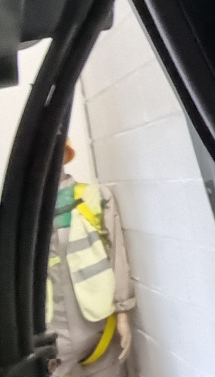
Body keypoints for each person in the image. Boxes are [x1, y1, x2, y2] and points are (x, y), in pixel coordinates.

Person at [46, 140, 135, 376]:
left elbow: (116, 257)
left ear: (65, 154)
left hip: (100, 326)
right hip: (53, 334)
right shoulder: (25, 213)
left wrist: (122, 312)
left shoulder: (95, 196)